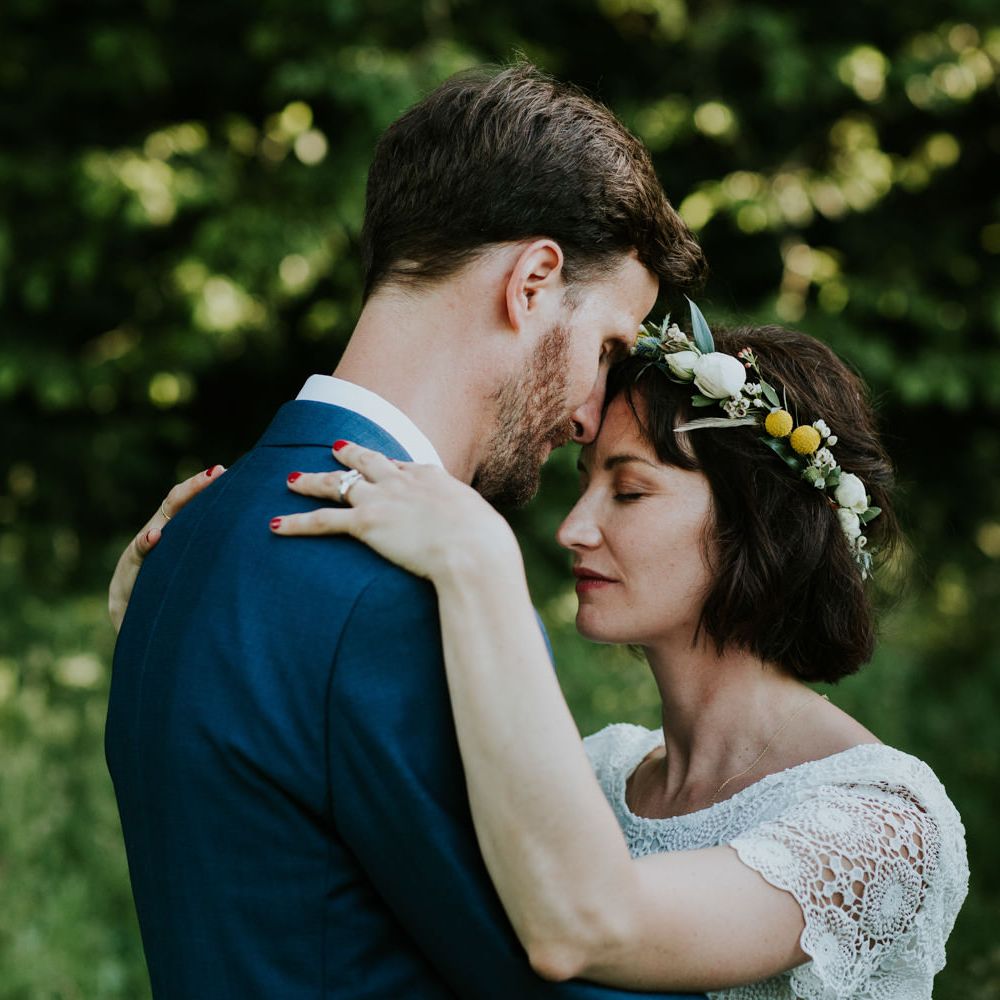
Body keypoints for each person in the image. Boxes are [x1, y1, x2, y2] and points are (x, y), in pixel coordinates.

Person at [115, 314, 969, 997]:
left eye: (629, 491)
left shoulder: (883, 825)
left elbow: (594, 926)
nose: (575, 528)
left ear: (762, 527)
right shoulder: (599, 772)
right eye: (584, 483)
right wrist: (175, 621)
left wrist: (483, 564)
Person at [104, 61, 708, 1000]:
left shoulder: (181, 543)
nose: (592, 415)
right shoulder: (393, 586)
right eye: (608, 350)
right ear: (534, 281)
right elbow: (557, 973)